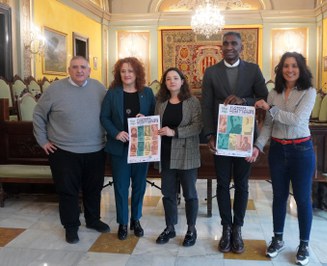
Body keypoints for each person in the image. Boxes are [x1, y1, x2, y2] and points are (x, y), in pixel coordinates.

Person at [246, 52, 316, 265]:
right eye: (286, 66)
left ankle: (304, 244)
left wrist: (271, 109)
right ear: (280, 69)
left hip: (301, 151)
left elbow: (296, 120)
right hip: (277, 150)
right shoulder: (273, 93)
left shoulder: (309, 91)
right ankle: (277, 239)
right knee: (279, 197)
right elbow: (268, 125)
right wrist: (258, 146)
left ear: (301, 68)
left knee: (302, 199)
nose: (290, 69)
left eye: (294, 66)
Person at [201, 31, 268, 254]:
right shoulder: (211, 72)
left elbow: (263, 98)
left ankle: (238, 228)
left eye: (234, 43)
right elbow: (207, 105)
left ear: (241, 47)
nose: (229, 47)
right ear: (222, 47)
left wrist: (244, 100)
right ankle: (226, 228)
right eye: (226, 43)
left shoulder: (253, 69)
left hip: (244, 135)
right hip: (221, 136)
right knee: (221, 184)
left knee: (242, 184)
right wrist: (210, 134)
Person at [32, 56, 110, 244]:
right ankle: (71, 227)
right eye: (75, 67)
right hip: (63, 151)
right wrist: (42, 141)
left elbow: (110, 113)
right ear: (69, 70)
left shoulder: (99, 88)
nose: (79, 70)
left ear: (89, 70)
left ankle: (93, 220)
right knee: (68, 191)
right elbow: (38, 114)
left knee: (94, 189)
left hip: (95, 149)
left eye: (83, 67)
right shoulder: (55, 90)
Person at [100, 57, 155, 240]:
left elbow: (156, 116)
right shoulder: (113, 93)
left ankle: (136, 220)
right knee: (121, 187)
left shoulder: (147, 93)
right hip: (120, 149)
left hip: (142, 148)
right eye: (123, 71)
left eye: (130, 71)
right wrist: (116, 133)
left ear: (137, 73)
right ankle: (123, 223)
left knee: (139, 187)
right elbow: (104, 117)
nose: (127, 74)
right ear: (119, 73)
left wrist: (145, 117)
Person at [155, 67, 202, 247]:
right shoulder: (161, 102)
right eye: (168, 79)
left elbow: (197, 126)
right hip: (166, 154)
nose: (172, 81)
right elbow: (156, 123)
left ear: (182, 81)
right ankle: (170, 227)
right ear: (165, 83)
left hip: (186, 153)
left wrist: (174, 132)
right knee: (167, 194)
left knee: (190, 194)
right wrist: (144, 120)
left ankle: (191, 229)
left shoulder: (192, 102)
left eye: (175, 78)